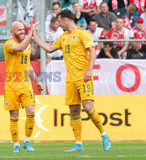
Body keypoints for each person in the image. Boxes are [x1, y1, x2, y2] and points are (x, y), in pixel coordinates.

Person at [32, 9, 111, 152]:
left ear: (66, 20)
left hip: (83, 76)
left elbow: (92, 51)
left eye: (59, 21)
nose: (58, 23)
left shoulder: (82, 33)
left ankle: (104, 135)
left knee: (88, 107)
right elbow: (50, 49)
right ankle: (78, 143)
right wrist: (35, 38)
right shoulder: (63, 37)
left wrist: (89, 70)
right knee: (74, 110)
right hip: (70, 79)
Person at [4, 21, 44, 152]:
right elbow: (19, 48)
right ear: (12, 32)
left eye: (23, 29)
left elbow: (28, 66)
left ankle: (27, 141)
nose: (22, 31)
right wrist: (31, 33)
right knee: (14, 115)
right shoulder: (9, 44)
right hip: (12, 86)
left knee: (31, 112)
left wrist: (37, 81)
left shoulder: (27, 45)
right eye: (19, 30)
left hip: (26, 85)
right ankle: (16, 145)